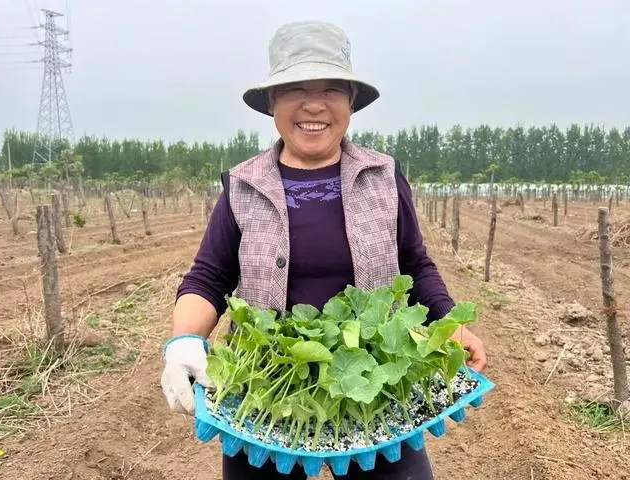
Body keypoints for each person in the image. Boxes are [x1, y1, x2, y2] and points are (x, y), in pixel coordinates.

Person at [161, 20, 487, 480]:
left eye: (332, 89)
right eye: (294, 88)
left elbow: (415, 265)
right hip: (268, 390)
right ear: (272, 102)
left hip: (376, 384)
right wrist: (184, 342)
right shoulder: (243, 185)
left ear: (351, 103)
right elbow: (208, 278)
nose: (314, 104)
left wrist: (449, 325)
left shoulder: (383, 177)